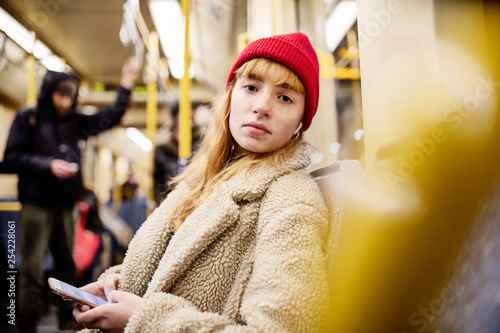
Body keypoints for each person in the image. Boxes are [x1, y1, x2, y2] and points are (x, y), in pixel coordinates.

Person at [74, 32, 330, 333]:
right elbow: (171, 266)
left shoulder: (292, 199)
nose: (262, 106)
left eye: (285, 97)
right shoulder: (202, 179)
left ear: (301, 121)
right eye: (251, 87)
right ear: (231, 96)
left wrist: (145, 320)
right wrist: (120, 281)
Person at [3, 57, 139, 331]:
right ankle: (25, 321)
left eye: (70, 97)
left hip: (66, 206)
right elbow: (10, 159)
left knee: (67, 265)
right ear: (49, 92)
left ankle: (69, 318)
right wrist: (48, 165)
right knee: (30, 267)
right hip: (36, 205)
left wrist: (126, 85)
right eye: (60, 95)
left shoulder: (74, 122)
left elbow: (109, 118)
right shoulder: (28, 117)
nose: (65, 102)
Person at [153, 101, 202, 204]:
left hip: (195, 200)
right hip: (169, 200)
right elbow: (157, 178)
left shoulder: (200, 144)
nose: (189, 117)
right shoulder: (162, 148)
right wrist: (160, 197)